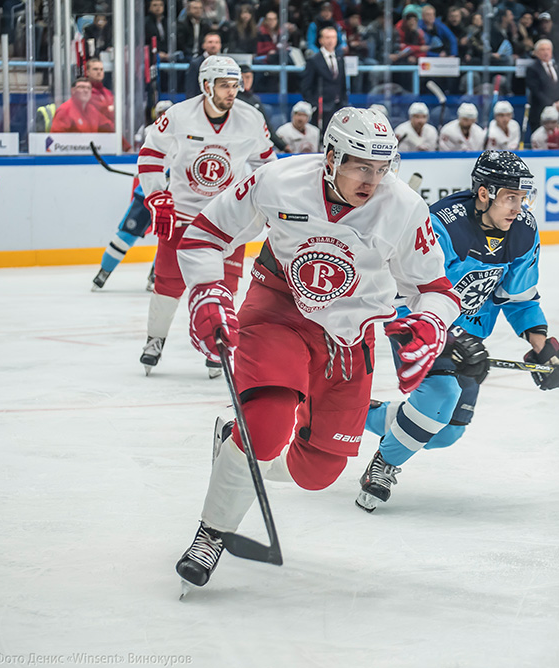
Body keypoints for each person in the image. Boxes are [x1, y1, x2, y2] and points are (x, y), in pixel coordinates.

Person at [172, 107, 461, 588]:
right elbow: (206, 234)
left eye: (380, 167)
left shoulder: (405, 207)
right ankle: (212, 533)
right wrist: (208, 291)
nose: (372, 180)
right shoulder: (279, 180)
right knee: (265, 427)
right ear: (330, 157)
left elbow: (435, 288)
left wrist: (431, 324)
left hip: (349, 334)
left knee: (318, 472)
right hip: (278, 308)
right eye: (360, 166)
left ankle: (237, 451)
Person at [357, 151, 559, 512]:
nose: (518, 208)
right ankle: (384, 463)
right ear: (483, 193)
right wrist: (446, 338)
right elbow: (406, 291)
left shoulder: (522, 231)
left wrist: (543, 348)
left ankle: (352, 411)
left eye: (522, 199)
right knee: (439, 396)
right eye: (510, 197)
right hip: (421, 324)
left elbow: (520, 299)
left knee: (446, 431)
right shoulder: (443, 227)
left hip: (469, 339)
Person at [136, 55, 276, 377]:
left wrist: (262, 202)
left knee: (225, 284)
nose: (232, 91)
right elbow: (151, 154)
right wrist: (157, 194)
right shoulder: (179, 115)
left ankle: (219, 344)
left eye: (235, 85)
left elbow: (267, 164)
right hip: (183, 215)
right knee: (168, 282)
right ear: (205, 85)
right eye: (225, 85)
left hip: (227, 219)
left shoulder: (251, 119)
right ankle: (154, 340)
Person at [92, 101, 173, 293]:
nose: (164, 116)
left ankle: (156, 275)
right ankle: (104, 271)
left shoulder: (187, 136)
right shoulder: (151, 131)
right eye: (161, 112)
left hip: (174, 197)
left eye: (168, 113)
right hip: (146, 194)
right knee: (124, 236)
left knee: (167, 240)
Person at [301, 25, 347, 131]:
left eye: (333, 37)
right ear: (321, 40)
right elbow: (306, 85)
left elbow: (342, 82)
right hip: (321, 107)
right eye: (327, 37)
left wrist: (344, 101)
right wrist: (314, 104)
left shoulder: (340, 58)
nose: (331, 41)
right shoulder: (314, 60)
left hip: (338, 105)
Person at [236, 63, 287, 153]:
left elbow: (266, 126)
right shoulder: (232, 99)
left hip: (255, 146)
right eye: (244, 77)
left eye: (249, 77)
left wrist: (283, 145)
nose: (247, 80)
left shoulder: (255, 100)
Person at [524, 38, 559, 134]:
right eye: (542, 50)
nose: (546, 52)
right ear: (536, 53)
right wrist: (552, 104)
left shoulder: (558, 67)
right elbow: (536, 91)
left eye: (548, 49)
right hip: (539, 111)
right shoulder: (532, 69)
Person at [50, 78, 115, 133]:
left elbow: (109, 127)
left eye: (89, 88)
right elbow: (55, 140)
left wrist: (124, 146)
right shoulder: (65, 110)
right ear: (73, 90)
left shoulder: (92, 110)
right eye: (82, 87)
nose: (86, 90)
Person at [184, 31, 223, 98]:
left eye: (217, 42)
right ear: (203, 45)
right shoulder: (196, 63)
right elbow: (191, 88)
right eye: (210, 42)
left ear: (220, 46)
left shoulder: (223, 63)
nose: (213, 45)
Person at [84, 58, 114, 125]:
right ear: (87, 72)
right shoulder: (84, 92)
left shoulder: (107, 92)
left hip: (110, 131)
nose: (99, 72)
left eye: (101, 69)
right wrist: (109, 109)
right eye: (95, 69)